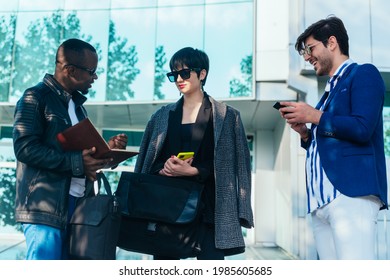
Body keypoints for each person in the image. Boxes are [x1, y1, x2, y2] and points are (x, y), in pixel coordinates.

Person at [277, 16, 388, 259]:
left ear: (332, 42)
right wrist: (306, 134)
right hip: (320, 203)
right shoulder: (327, 94)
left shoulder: (363, 74)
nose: (307, 56)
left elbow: (362, 128)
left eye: (310, 48)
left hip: (350, 197)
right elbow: (331, 138)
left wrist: (314, 116)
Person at [13, 38, 128, 260]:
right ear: (70, 70)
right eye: (91, 71)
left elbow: (82, 156)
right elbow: (25, 148)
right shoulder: (35, 97)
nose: (95, 77)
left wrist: (107, 151)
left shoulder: (78, 108)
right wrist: (77, 162)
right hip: (44, 209)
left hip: (77, 207)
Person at [134, 47, 254, 260]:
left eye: (184, 73)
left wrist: (194, 171)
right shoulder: (161, 116)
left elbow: (239, 167)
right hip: (168, 210)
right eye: (174, 74)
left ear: (202, 73)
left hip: (210, 210)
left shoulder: (228, 117)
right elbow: (146, 163)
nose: (179, 79)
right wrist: (165, 169)